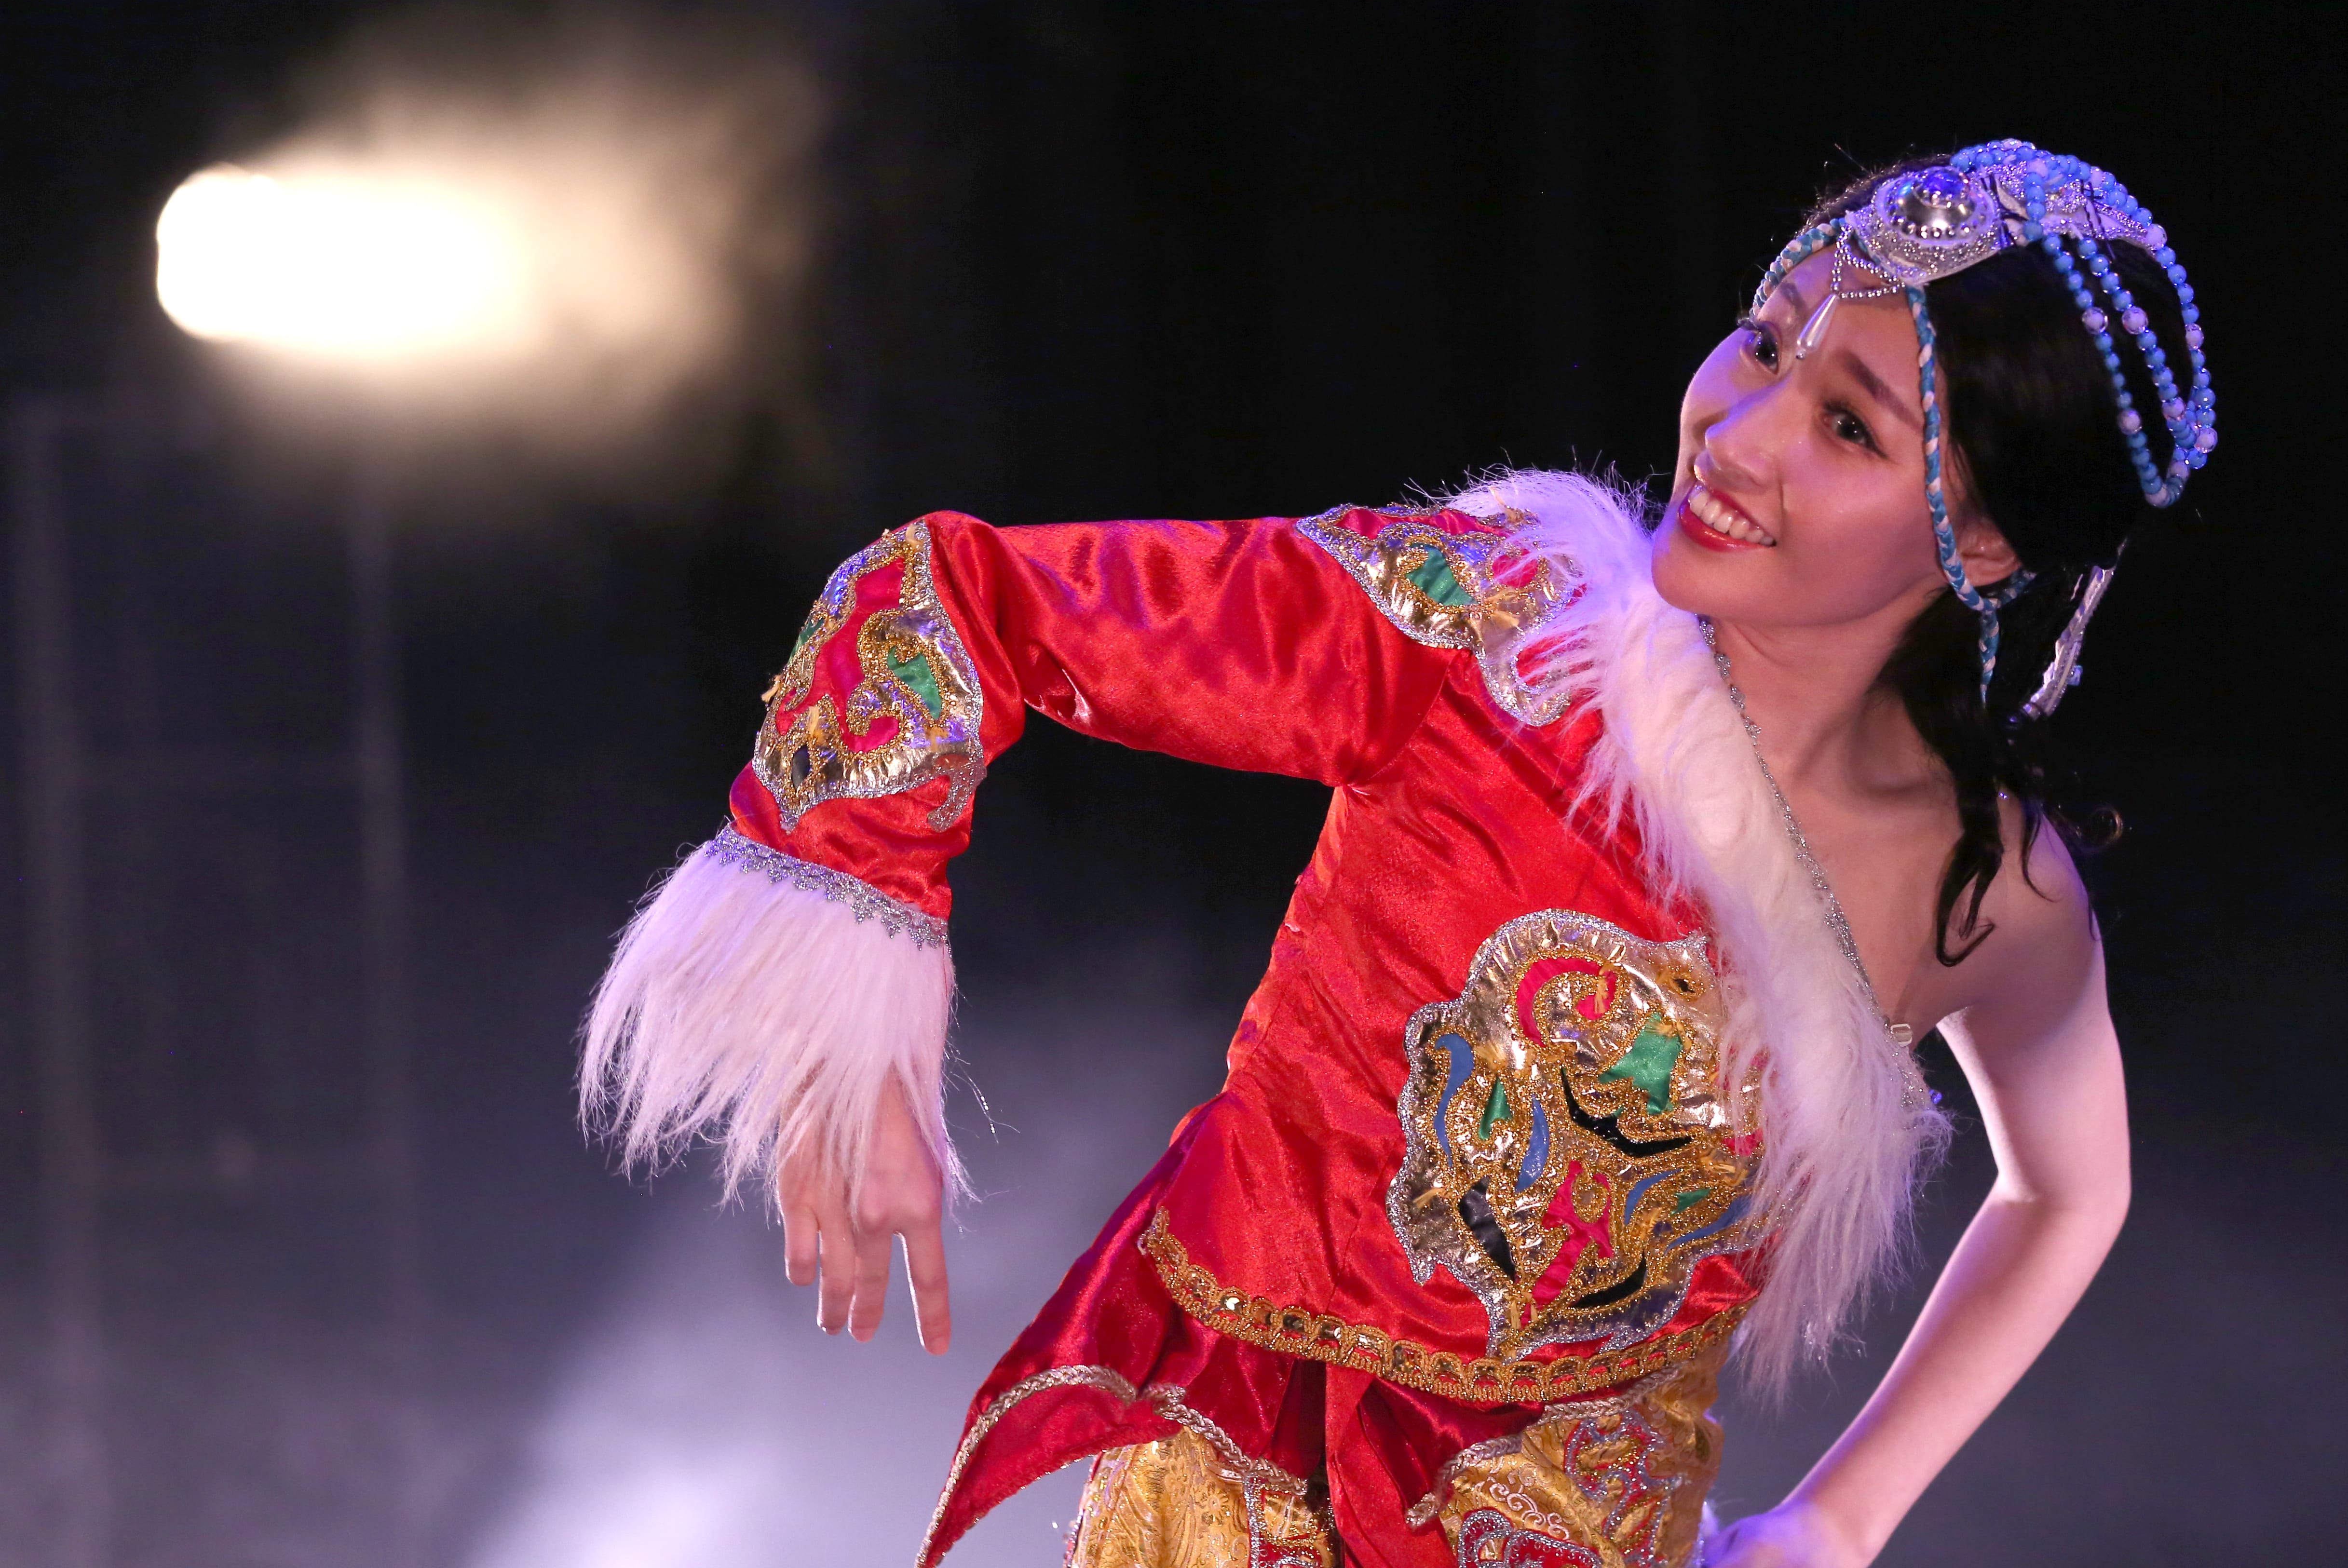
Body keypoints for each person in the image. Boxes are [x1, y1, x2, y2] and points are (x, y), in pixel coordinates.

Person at [582, 139, 2217, 1568]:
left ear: (1985, 541)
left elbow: (2073, 1187)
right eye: (1767, 339)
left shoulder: (1982, 895)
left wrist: (1841, 1519)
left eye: (1848, 427)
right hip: (1235, 1508)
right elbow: (950, 598)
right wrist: (848, 993)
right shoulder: (1486, 630)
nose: (1738, 430)